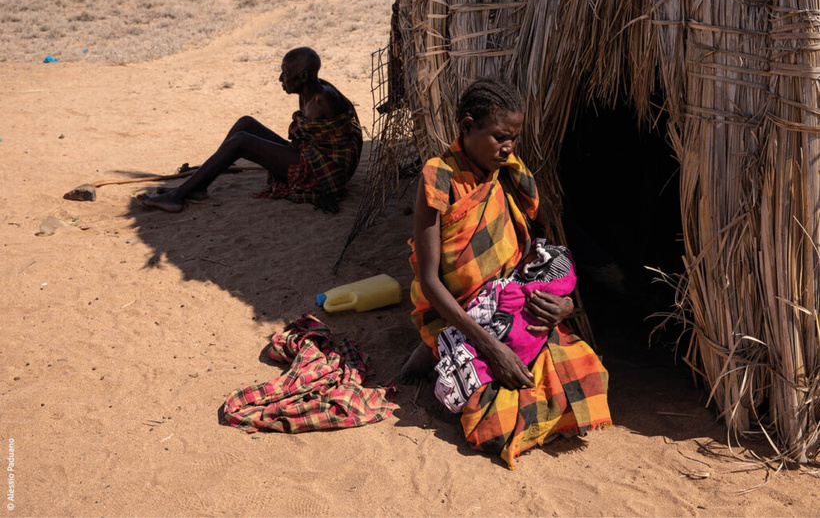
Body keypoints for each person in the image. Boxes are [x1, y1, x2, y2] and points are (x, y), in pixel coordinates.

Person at [403, 77, 611, 468]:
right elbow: (430, 281)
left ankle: (441, 353)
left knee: (586, 377)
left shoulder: (509, 173)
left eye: (513, 138)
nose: (509, 147)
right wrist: (492, 348)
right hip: (459, 312)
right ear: (468, 127)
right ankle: (435, 348)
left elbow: (534, 256)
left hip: (509, 302)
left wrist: (563, 306)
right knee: (493, 425)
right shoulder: (439, 177)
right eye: (500, 137)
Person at [138, 47, 362, 214]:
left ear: (303, 76)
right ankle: (199, 184)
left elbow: (345, 146)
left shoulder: (325, 98)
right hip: (310, 156)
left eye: (285, 73)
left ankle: (178, 196)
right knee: (245, 123)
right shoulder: (308, 90)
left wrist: (328, 187)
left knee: (242, 140)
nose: (280, 78)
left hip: (321, 174)